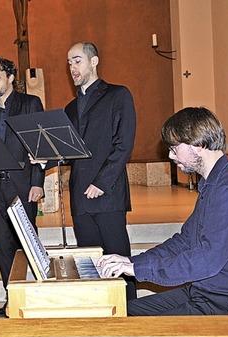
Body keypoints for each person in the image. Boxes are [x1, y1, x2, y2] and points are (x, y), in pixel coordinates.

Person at [98, 107, 228, 315]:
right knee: (121, 314)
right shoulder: (214, 184)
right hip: (209, 290)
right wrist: (132, 262)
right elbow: (185, 241)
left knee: (135, 332)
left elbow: (207, 259)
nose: (171, 156)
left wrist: (138, 270)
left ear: (198, 144)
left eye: (174, 148)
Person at [65, 42, 137, 299]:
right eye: (70, 63)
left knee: (118, 263)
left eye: (77, 60)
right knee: (90, 266)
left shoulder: (118, 95)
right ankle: (97, 312)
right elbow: (69, 151)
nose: (72, 67)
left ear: (94, 61)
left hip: (108, 194)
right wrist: (43, 158)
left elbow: (124, 143)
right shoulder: (70, 108)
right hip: (80, 198)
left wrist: (102, 183)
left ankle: (131, 314)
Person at [0, 56, 45, 317]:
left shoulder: (29, 105)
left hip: (23, 185)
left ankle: (35, 295)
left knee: (26, 243)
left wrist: (37, 182)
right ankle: (12, 298)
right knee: (3, 246)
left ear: (11, 78)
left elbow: (40, 144)